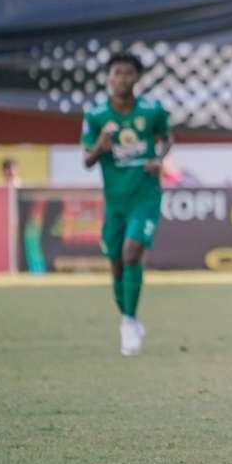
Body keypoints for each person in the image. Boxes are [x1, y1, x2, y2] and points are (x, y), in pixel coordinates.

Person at [81, 52, 172, 356]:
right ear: (108, 78)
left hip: (145, 195)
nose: (122, 79)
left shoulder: (152, 110)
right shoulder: (95, 115)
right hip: (115, 201)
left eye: (128, 73)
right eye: (116, 73)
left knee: (132, 252)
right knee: (116, 265)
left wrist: (158, 159)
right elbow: (87, 161)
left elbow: (166, 138)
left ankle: (129, 323)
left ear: (137, 78)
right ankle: (127, 316)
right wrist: (100, 147)